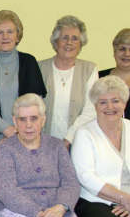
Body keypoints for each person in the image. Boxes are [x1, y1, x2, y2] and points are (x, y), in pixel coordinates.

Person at [72, 76, 130, 217]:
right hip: (97, 200)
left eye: (115, 101)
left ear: (124, 103)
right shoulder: (84, 133)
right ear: (95, 106)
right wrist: (124, 199)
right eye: (103, 102)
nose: (110, 107)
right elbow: (86, 176)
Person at [0, 93, 80, 217]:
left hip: (57, 209)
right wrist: (40, 213)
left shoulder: (57, 146)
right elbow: (6, 190)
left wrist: (60, 208)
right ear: (15, 121)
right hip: (15, 209)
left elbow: (71, 183)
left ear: (43, 120)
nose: (28, 125)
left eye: (34, 118)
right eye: (22, 119)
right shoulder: (5, 148)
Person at [0, 10, 46, 150]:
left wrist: (20, 130)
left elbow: (36, 102)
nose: (5, 36)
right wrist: (6, 129)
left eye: (10, 32)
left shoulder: (29, 62)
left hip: (26, 137)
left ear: (17, 36)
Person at [38, 15, 97, 148]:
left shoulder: (90, 70)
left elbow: (91, 110)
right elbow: (33, 107)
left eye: (75, 38)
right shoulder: (39, 68)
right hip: (43, 143)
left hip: (78, 143)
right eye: (64, 37)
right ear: (56, 41)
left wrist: (69, 139)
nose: (69, 42)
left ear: (81, 43)